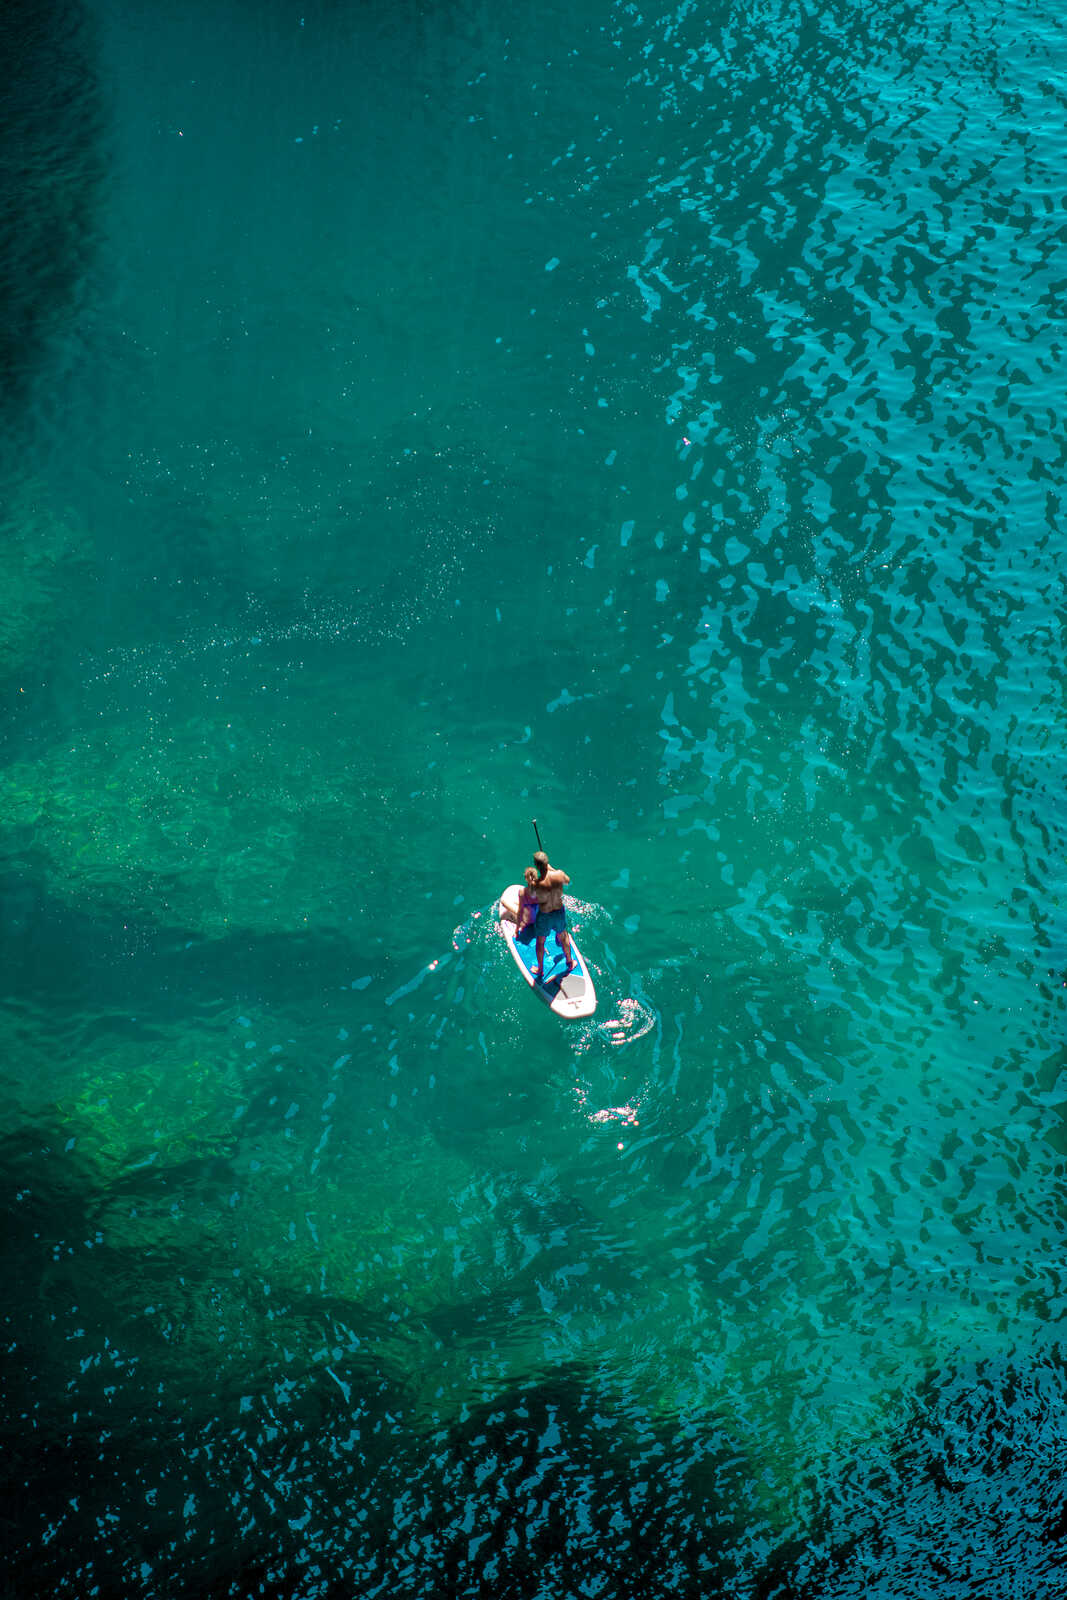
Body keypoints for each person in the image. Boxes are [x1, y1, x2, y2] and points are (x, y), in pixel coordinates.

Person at [532, 849, 574, 982]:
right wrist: (552, 870)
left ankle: (540, 969)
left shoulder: (536, 884)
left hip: (545, 915)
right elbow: (567, 880)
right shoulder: (559, 874)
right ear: (547, 863)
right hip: (559, 912)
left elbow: (533, 897)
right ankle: (569, 961)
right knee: (563, 936)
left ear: (537, 866)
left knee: (540, 941)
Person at [513, 867, 540, 939]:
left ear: (526, 878)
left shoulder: (522, 892)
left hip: (528, 923)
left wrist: (516, 930)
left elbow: (520, 912)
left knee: (504, 903)